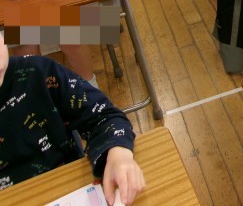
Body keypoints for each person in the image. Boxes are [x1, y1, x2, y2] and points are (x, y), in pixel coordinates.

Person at [0, 35, 145, 202]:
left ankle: (89, 83)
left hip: (68, 187)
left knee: (68, 31)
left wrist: (118, 153)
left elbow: (105, 117)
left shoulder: (38, 72)